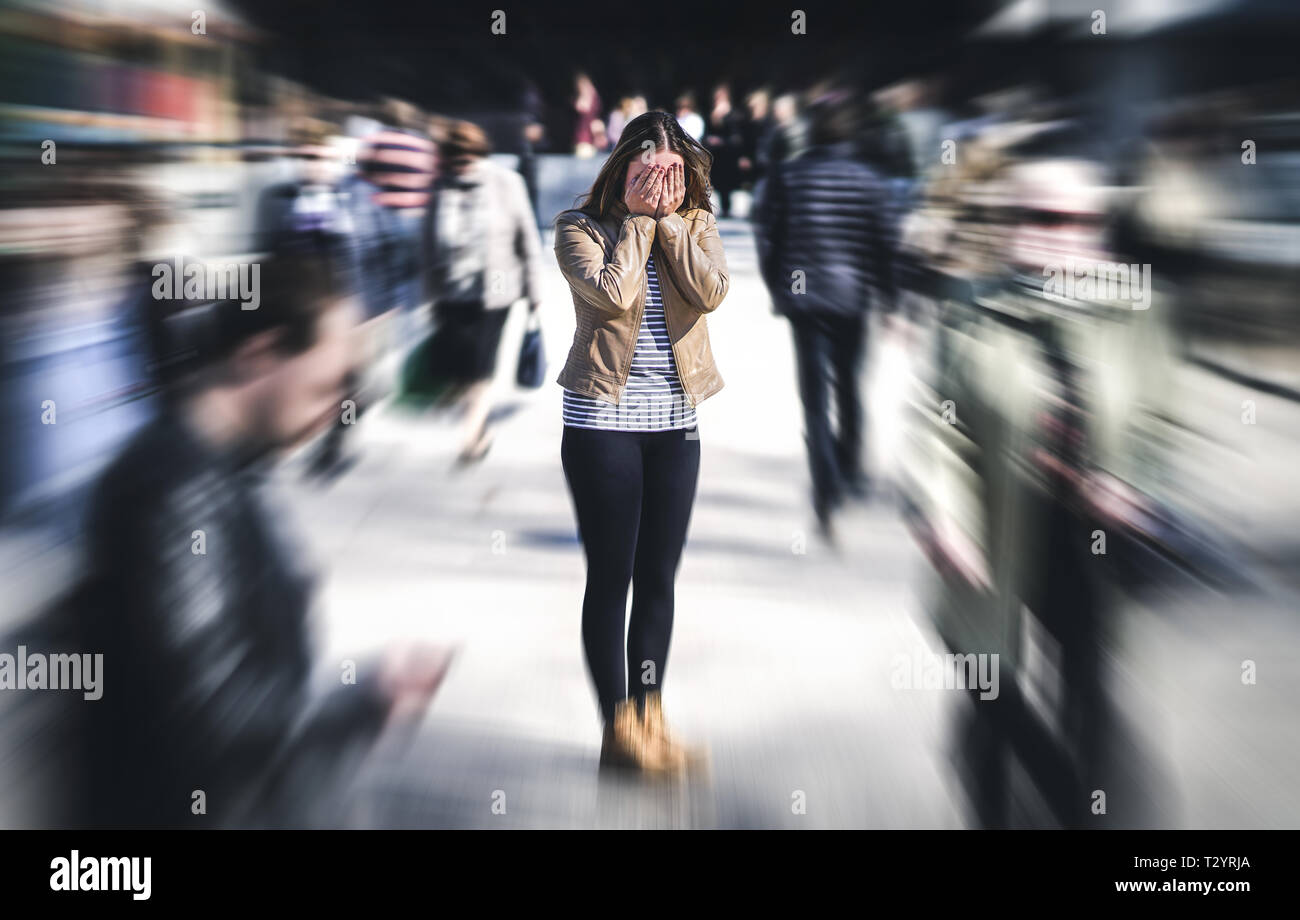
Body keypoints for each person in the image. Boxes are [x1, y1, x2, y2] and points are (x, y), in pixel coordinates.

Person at [78, 250, 455, 827]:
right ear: (259, 355)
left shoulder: (222, 468)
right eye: (328, 385)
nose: (337, 409)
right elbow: (213, 717)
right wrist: (366, 696)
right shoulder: (173, 491)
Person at [553, 111, 727, 775]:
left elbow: (710, 292)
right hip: (603, 424)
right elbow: (614, 297)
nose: (661, 185)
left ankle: (652, 718)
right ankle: (617, 730)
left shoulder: (699, 225)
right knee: (612, 577)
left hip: (676, 426)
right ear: (621, 169)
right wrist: (637, 221)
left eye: (673, 174)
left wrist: (673, 224)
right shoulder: (580, 228)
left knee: (659, 577)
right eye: (647, 173)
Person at [754, 89, 897, 539]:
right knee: (850, 386)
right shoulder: (868, 179)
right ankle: (849, 469)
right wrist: (890, 297)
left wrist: (778, 286)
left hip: (806, 300)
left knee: (814, 399)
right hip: (852, 299)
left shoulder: (788, 176)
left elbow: (769, 237)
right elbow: (885, 244)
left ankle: (825, 487)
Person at [423, 120, 543, 463]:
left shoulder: (506, 183)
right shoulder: (439, 188)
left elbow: (527, 237)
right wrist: (428, 294)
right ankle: (475, 420)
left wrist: (535, 290)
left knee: (481, 365)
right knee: (460, 368)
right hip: (451, 292)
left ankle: (472, 437)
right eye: (455, 161)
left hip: (496, 290)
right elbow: (427, 245)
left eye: (467, 160)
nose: (462, 167)